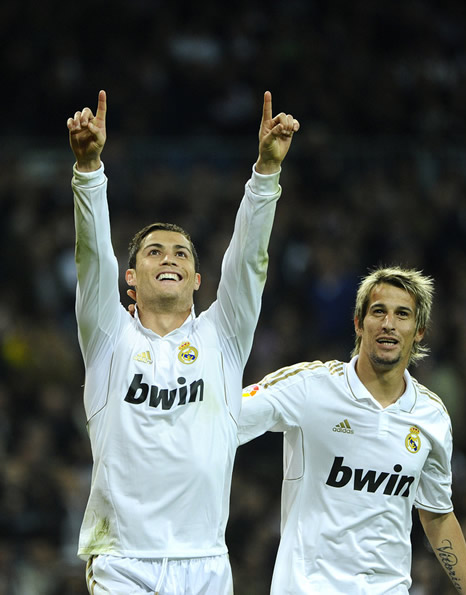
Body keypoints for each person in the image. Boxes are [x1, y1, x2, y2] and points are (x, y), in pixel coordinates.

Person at [67, 89, 299, 595]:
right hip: (123, 561)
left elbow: (249, 260)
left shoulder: (224, 337)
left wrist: (266, 174)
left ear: (198, 278)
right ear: (131, 278)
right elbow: (91, 257)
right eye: (154, 251)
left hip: (207, 563)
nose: (169, 257)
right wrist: (89, 171)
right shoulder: (108, 337)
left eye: (181, 253)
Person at [239, 266, 466, 594]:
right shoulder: (311, 387)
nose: (389, 324)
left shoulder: (431, 416)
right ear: (358, 323)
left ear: (420, 331)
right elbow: (223, 418)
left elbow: (437, 516)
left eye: (402, 314)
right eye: (378, 311)